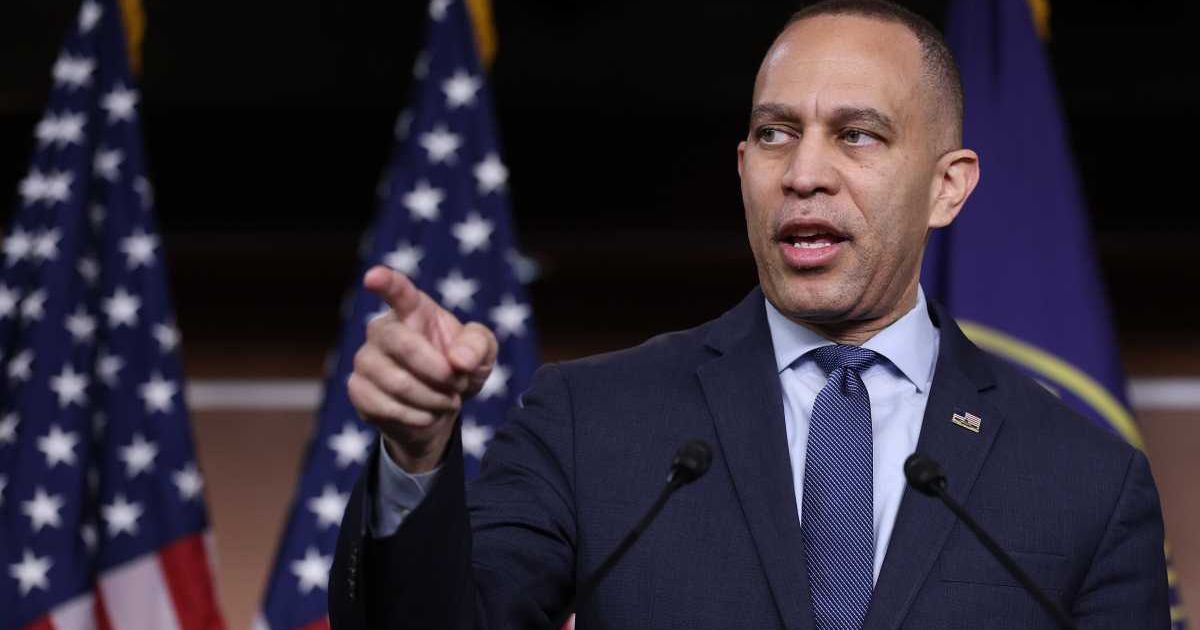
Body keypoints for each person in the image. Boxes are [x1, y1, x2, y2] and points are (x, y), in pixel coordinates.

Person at [329, 1, 1170, 628]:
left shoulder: (1086, 483)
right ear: (743, 169)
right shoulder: (592, 424)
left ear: (947, 185)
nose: (803, 172)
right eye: (775, 134)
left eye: (857, 136)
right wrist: (415, 452)